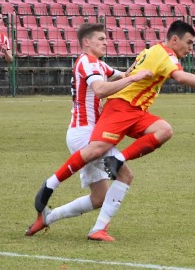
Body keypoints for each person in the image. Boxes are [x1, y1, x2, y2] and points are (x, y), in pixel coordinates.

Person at [29, 21, 195, 241]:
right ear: (174, 40)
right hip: (109, 114)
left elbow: (123, 73)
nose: (191, 48)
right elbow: (176, 77)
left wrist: (131, 74)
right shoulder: (160, 55)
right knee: (106, 158)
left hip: (129, 111)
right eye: (189, 43)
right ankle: (54, 188)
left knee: (162, 132)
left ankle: (49, 218)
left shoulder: (140, 54)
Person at [24, 23, 153, 241]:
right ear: (86, 42)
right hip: (86, 133)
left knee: (99, 197)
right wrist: (132, 79)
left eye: (106, 39)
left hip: (84, 132)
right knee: (125, 175)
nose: (105, 42)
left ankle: (47, 218)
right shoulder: (88, 62)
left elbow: (120, 75)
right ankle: (98, 229)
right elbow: (101, 89)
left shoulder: (99, 65)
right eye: (101, 39)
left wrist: (138, 68)